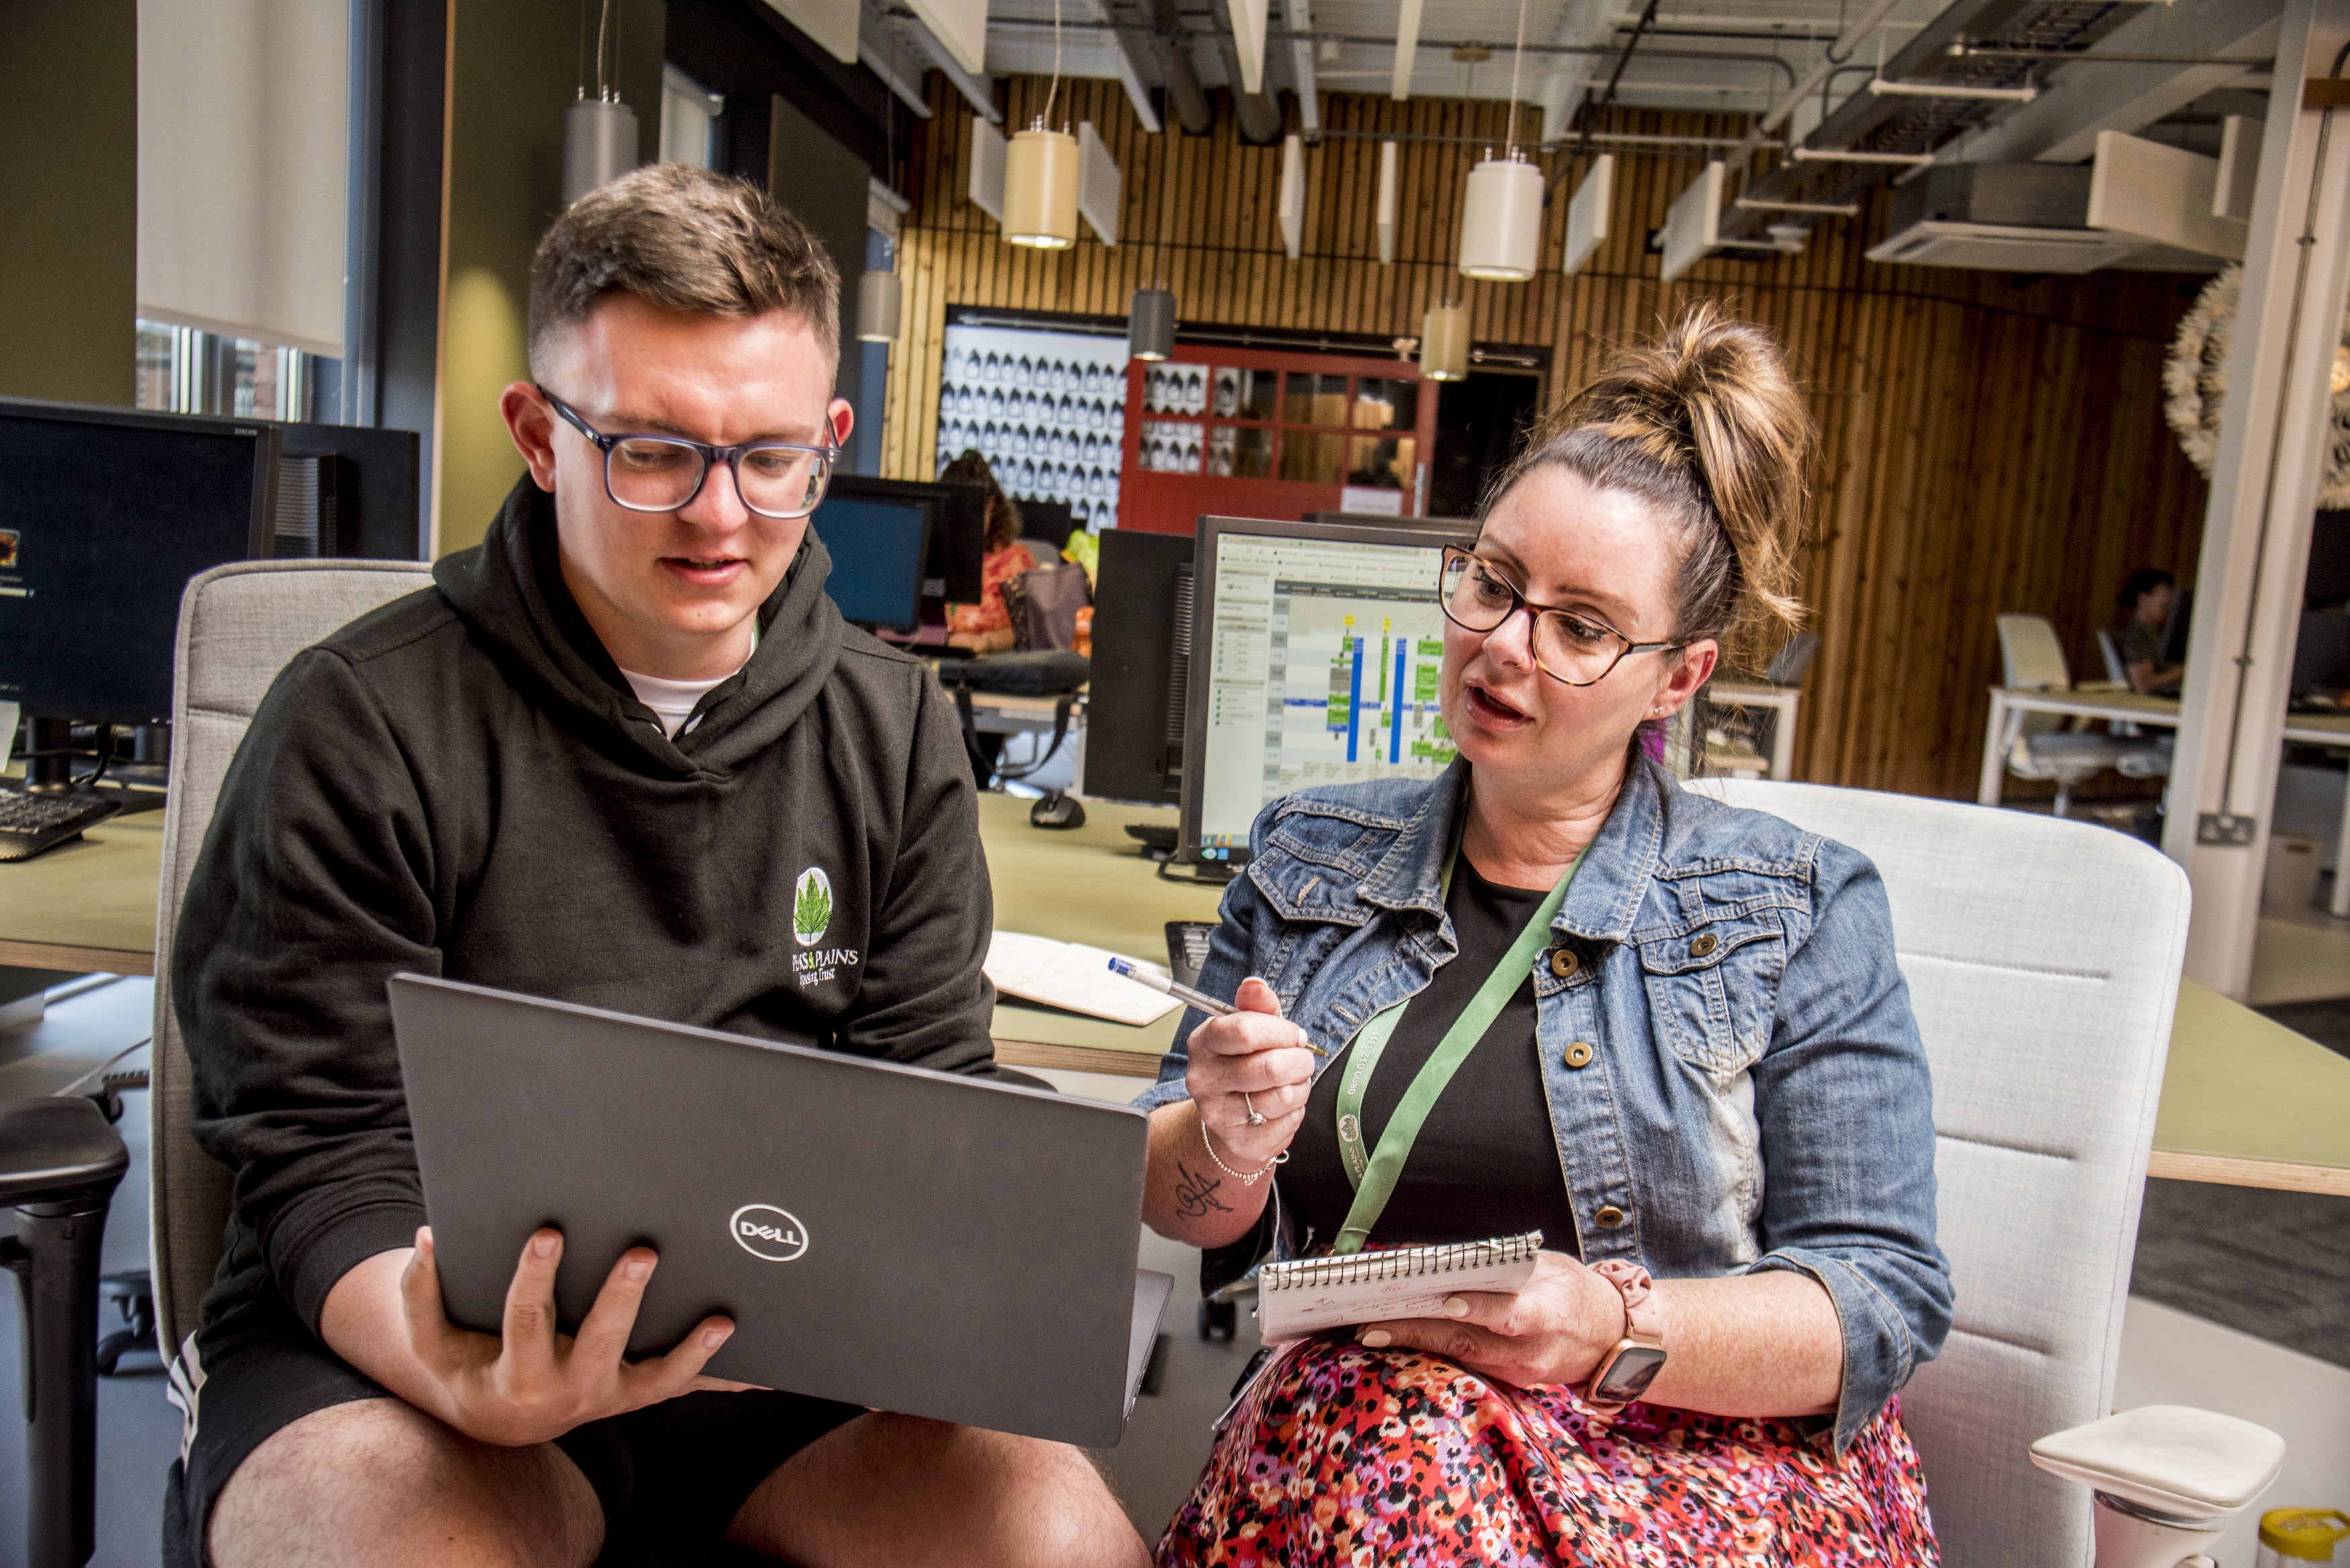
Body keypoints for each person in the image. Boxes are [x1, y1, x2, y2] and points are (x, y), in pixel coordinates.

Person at [169, 164, 1145, 1568]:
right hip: (425, 1345)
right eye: (650, 448)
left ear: (830, 439)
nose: (718, 514)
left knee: (1061, 1540)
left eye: (767, 454)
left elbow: (929, 1089)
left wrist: (956, 1305)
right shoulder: (361, 719)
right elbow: (319, 1151)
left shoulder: (892, 722)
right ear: (539, 434)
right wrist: (464, 1375)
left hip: (791, 1362)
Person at [1135, 305, 1953, 1566]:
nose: (1502, 647)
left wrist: (1609, 1326)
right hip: (1369, 1443)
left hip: (1698, 1460)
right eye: (1494, 584)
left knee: (1404, 1472)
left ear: (1678, 677)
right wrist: (1229, 1141)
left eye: (1579, 626)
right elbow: (1181, 1202)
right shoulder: (1308, 854)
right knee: (1398, 1443)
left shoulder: (1797, 903)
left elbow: (1881, 1295)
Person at [939, 449, 1030, 654]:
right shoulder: (928, 557)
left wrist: (985, 642)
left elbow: (1029, 629)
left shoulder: (1015, 560)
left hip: (992, 667)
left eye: (975, 509)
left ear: (991, 505)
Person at [2117, 567, 2183, 695]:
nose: (2171, 602)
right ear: (2144, 599)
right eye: (2166, 595)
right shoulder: (2139, 636)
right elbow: (2143, 686)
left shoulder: (2153, 634)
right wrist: (2180, 674)